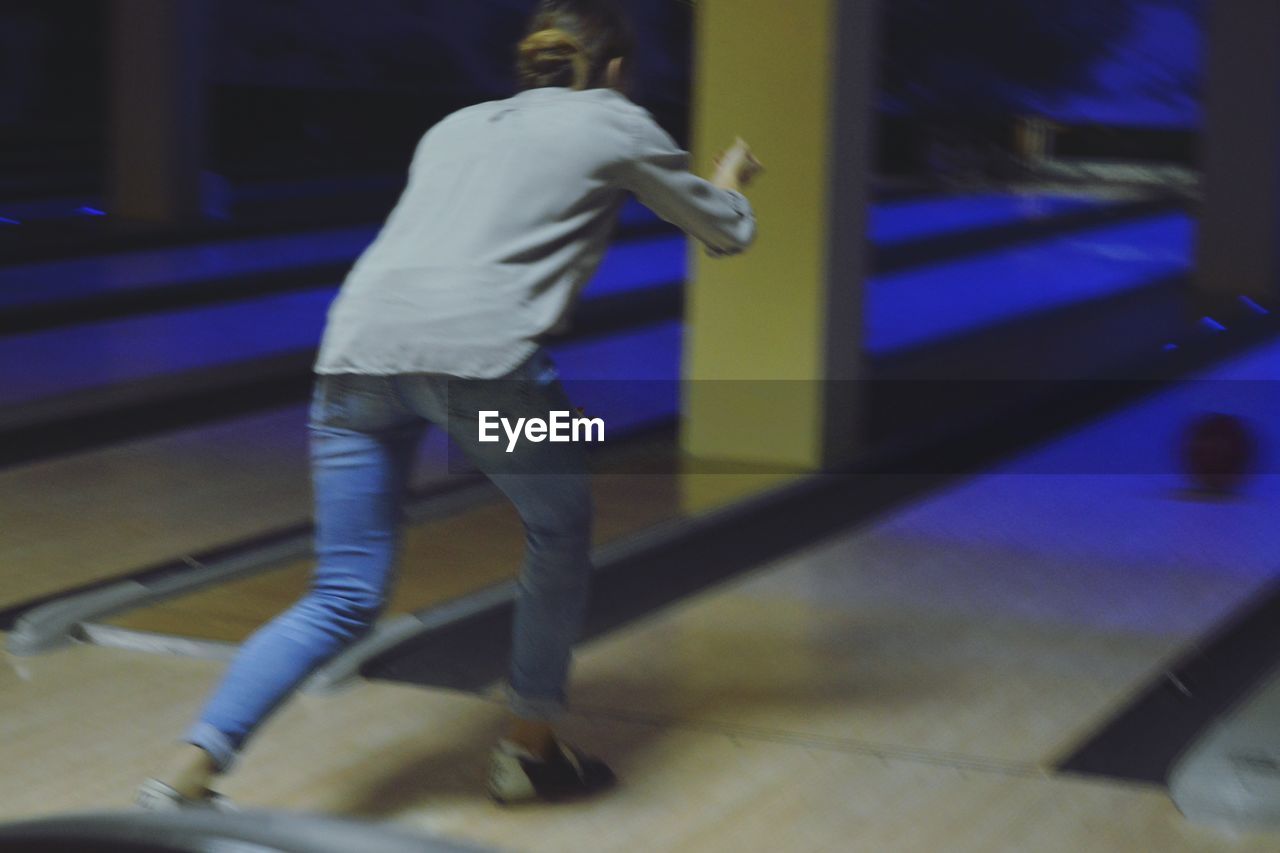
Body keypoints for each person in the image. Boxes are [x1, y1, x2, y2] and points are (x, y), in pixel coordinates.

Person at [137, 0, 761, 809]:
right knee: (560, 525)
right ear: (612, 70)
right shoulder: (617, 120)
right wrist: (730, 182)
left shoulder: (454, 125)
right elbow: (725, 232)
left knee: (344, 592)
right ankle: (528, 749)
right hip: (488, 374)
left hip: (355, 358)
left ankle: (187, 772)